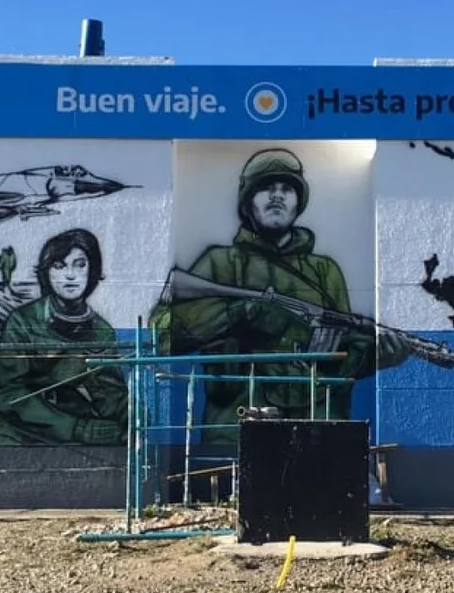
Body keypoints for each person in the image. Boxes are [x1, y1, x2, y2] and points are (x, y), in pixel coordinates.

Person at [151, 148, 409, 444]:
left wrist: (377, 355)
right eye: (265, 188)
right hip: (235, 429)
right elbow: (161, 336)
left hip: (317, 428)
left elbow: (344, 352)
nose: (277, 196)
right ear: (247, 201)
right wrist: (240, 314)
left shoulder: (324, 272)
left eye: (287, 189)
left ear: (299, 201)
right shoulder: (220, 263)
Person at [0, 229, 129, 445]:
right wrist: (76, 429)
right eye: (59, 266)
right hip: (17, 420)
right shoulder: (23, 321)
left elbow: (107, 391)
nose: (70, 275)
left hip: (69, 415)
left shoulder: (101, 330)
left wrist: (130, 415)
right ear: (47, 273)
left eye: (80, 264)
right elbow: (10, 393)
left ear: (93, 270)